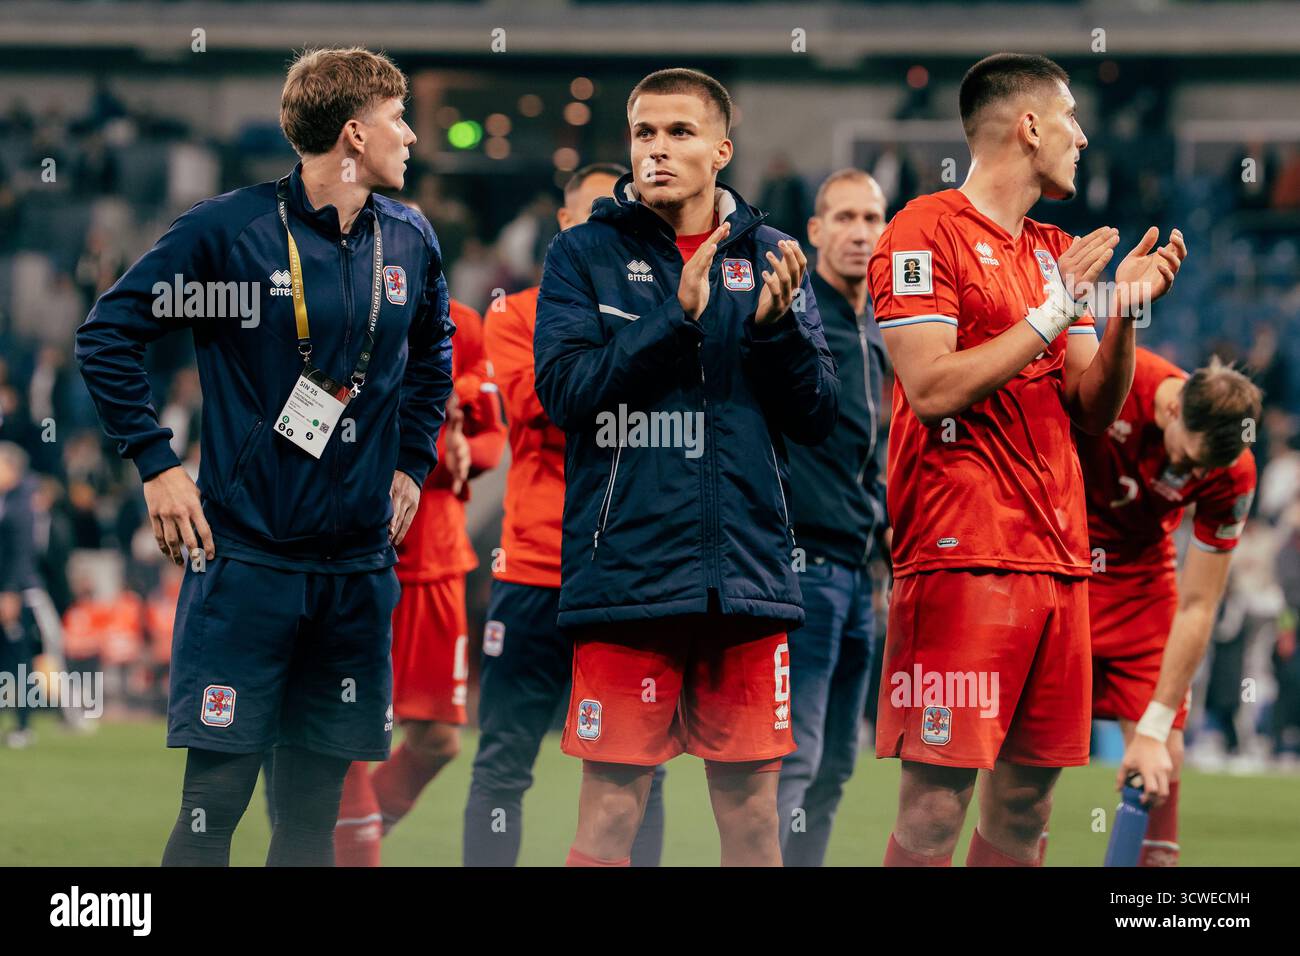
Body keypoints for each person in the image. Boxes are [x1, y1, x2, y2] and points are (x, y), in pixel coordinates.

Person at [75, 47, 455, 866]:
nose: (412, 137)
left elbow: (434, 358)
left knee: (311, 820)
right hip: (246, 563)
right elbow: (107, 335)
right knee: (215, 808)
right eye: (398, 119)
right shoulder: (230, 231)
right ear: (354, 133)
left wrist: (412, 461)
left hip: (355, 573)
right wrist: (157, 463)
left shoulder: (411, 237)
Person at [868, 52, 1187, 866]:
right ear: (1030, 125)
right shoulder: (920, 230)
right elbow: (933, 387)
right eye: (1071, 117)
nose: (1082, 135)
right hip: (960, 556)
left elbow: (1092, 409)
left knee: (1024, 805)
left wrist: (1123, 312)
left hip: (1058, 558)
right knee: (936, 808)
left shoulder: (1056, 250)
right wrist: (1053, 312)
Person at [534, 68, 838, 867]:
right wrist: (677, 319)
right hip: (628, 577)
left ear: (721, 151)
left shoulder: (775, 257)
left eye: (679, 133)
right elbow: (566, 394)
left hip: (746, 578)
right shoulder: (581, 254)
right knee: (608, 818)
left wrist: (776, 336)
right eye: (643, 134)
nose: (657, 150)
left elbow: (817, 416)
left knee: (752, 825)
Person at [464, 164, 669, 867]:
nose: (604, 229)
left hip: (630, 579)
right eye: (591, 213)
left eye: (620, 215)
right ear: (562, 223)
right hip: (536, 571)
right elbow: (547, 406)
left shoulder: (659, 310)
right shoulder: (515, 314)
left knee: (642, 768)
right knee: (503, 762)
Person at [335, 299, 505, 866]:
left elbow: (490, 436)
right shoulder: (339, 313)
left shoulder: (464, 324)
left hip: (436, 560)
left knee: (437, 739)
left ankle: (342, 843)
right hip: (355, 555)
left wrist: (465, 455)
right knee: (349, 729)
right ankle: (348, 851)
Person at [1073, 349, 1260, 866]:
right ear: (1176, 409)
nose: (1195, 473)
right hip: (1061, 563)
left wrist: (1155, 730)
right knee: (1027, 776)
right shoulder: (1114, 373)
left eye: (1207, 467)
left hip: (1142, 586)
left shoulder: (1233, 471)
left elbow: (1200, 603)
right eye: (1191, 458)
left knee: (1162, 762)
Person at [776, 170, 890, 866]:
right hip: (802, 567)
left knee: (837, 765)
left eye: (872, 218)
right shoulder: (791, 315)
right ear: (815, 232)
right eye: (843, 217)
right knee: (798, 758)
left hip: (857, 572)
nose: (859, 232)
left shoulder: (880, 327)